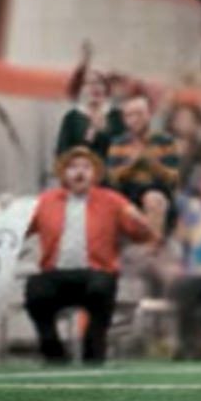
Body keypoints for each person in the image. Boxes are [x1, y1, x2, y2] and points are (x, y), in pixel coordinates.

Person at [24, 147, 159, 365]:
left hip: (96, 273)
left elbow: (141, 234)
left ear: (95, 173)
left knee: (102, 286)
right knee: (35, 290)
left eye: (86, 167)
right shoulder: (44, 202)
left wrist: (146, 217)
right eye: (73, 167)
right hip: (56, 273)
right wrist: (6, 211)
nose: (79, 172)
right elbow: (18, 230)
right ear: (63, 173)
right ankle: (53, 353)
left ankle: (93, 354)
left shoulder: (113, 201)